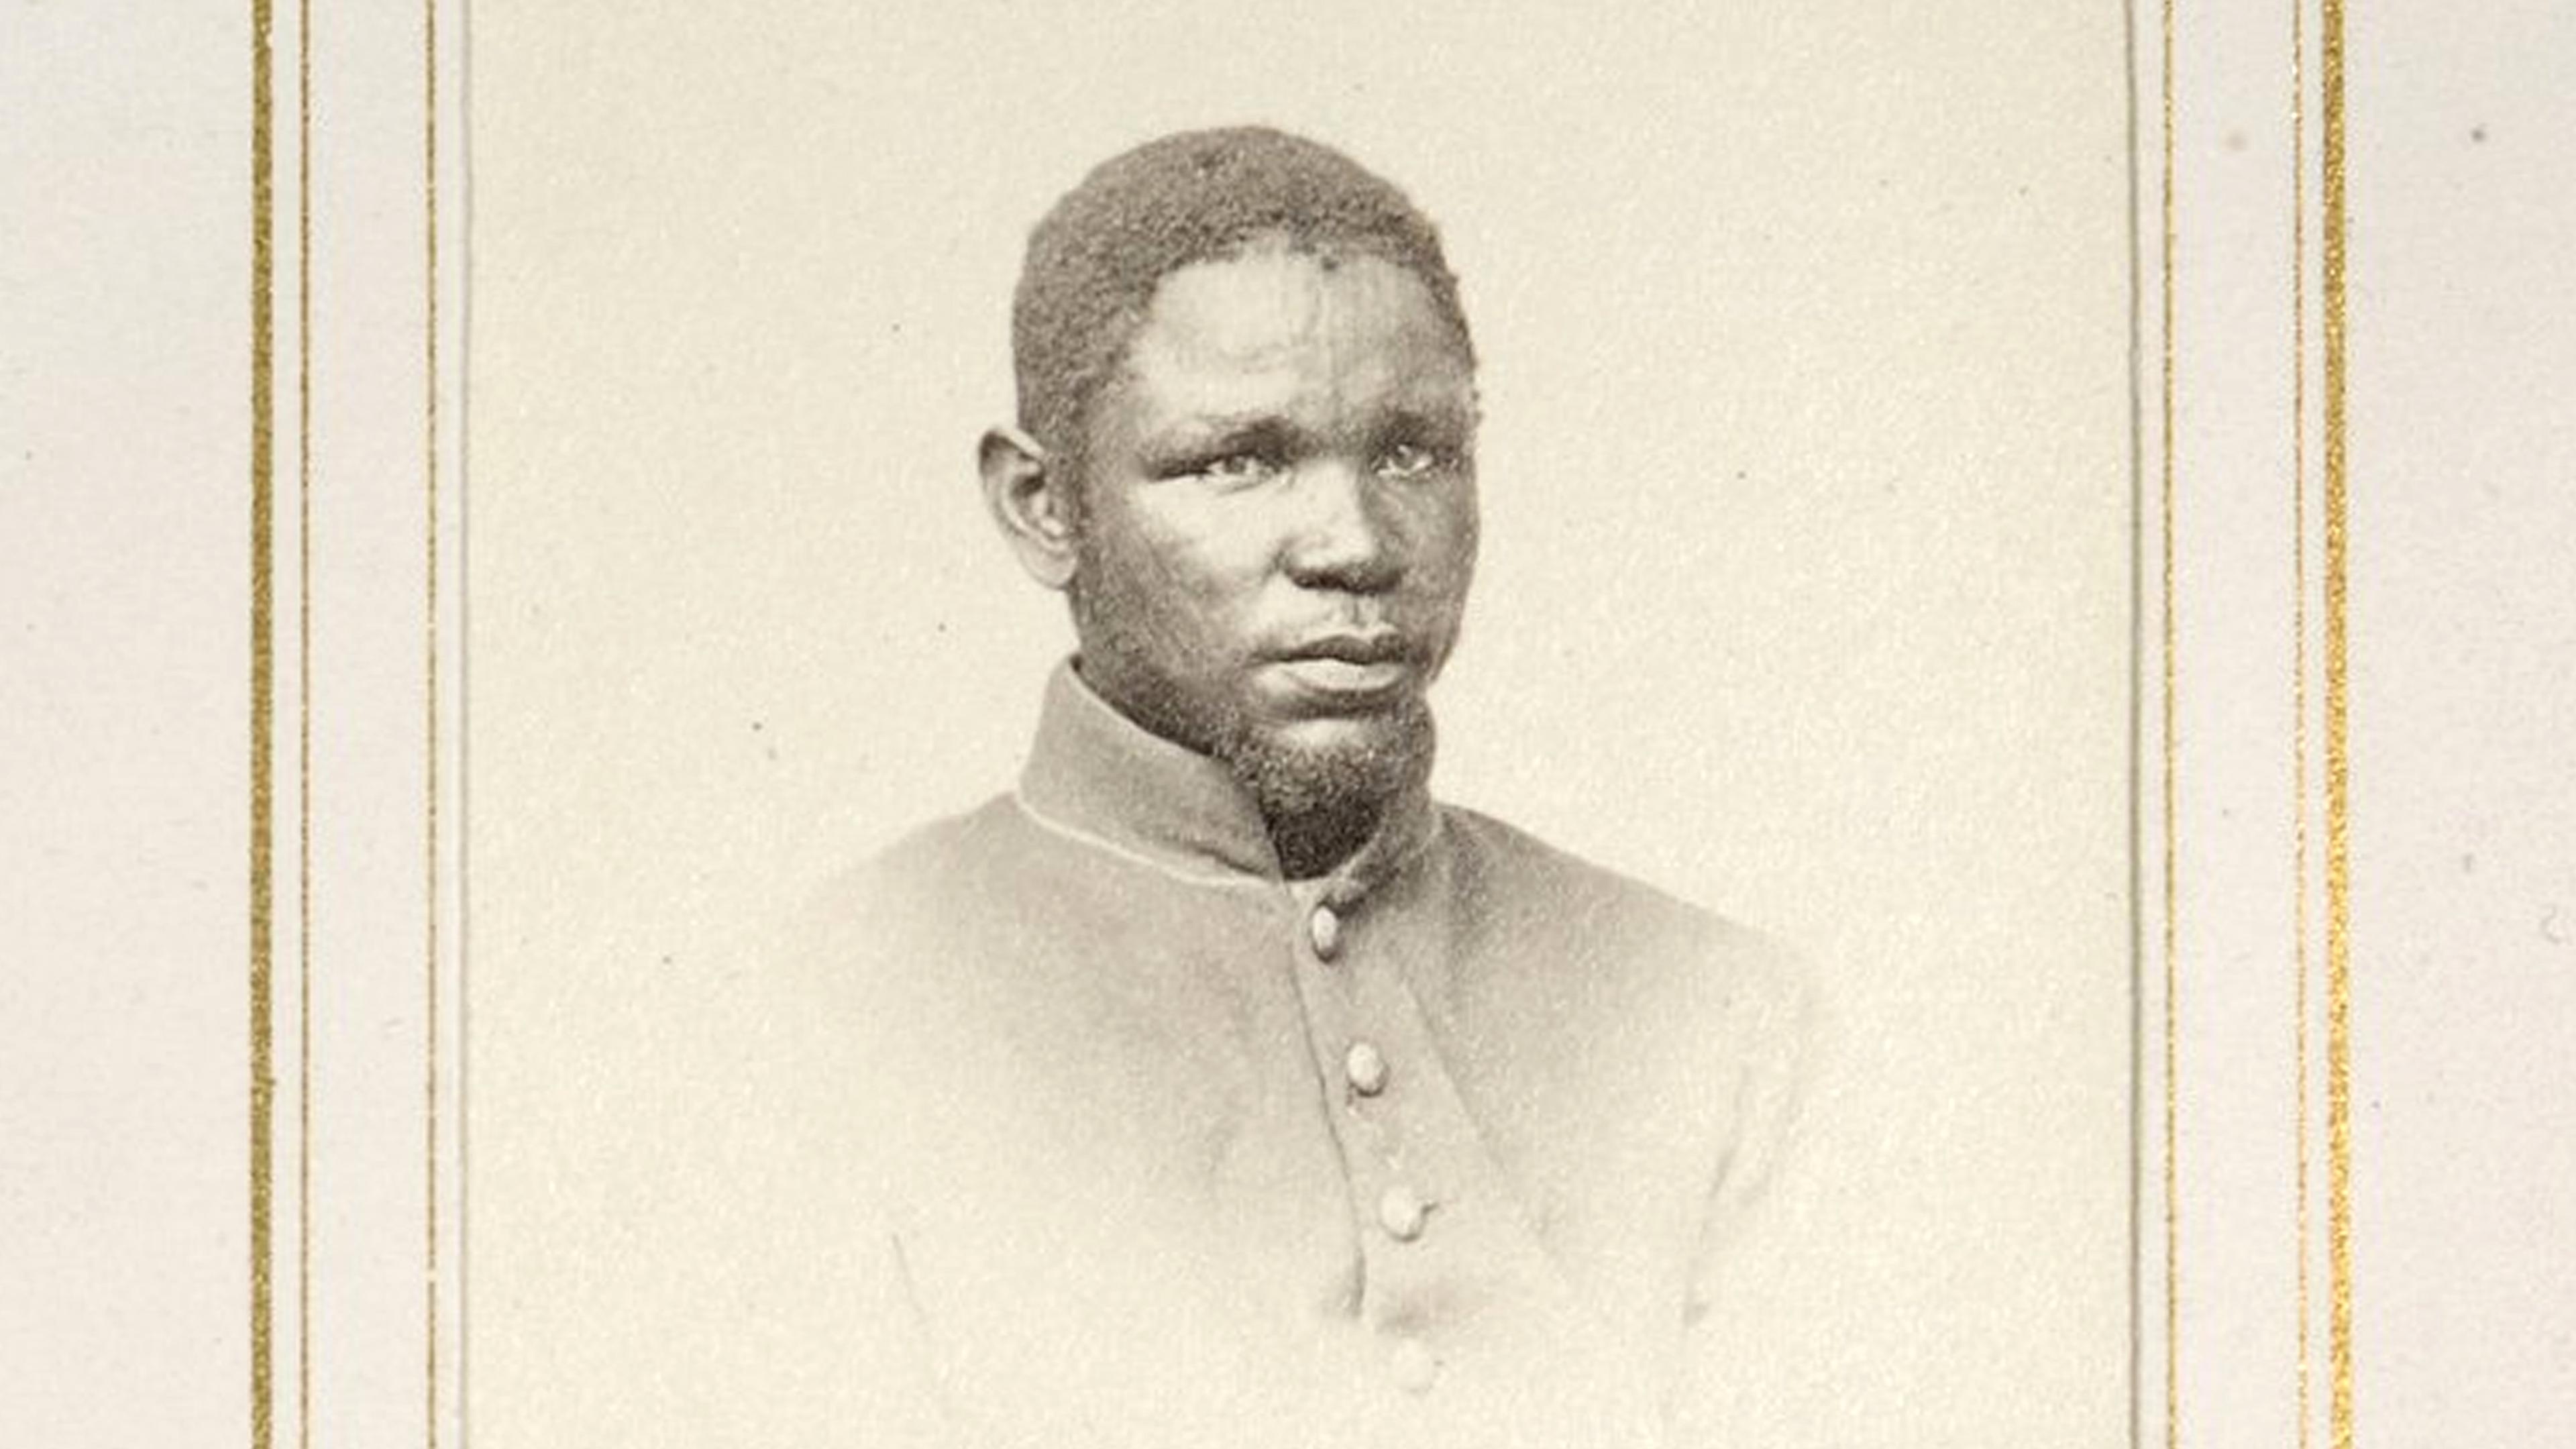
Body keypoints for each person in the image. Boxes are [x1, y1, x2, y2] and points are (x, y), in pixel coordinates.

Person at [741, 125, 1817, 1449]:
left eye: (1413, 453)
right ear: (1042, 508)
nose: (1355, 543)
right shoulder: (827, 1013)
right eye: (1239, 460)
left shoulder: (1716, 1015)